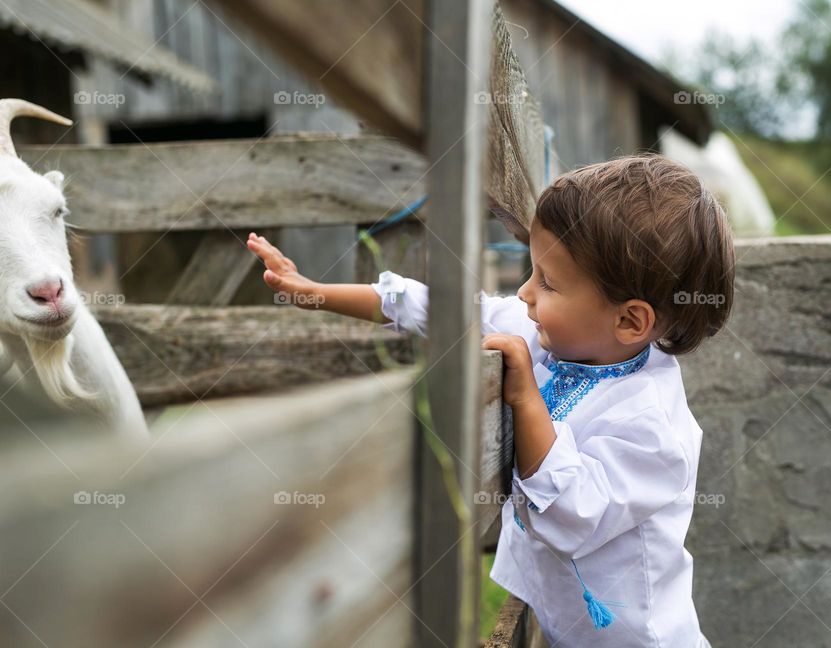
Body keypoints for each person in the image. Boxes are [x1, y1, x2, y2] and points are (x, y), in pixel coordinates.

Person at [247, 154, 733, 647]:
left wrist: (524, 397)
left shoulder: (651, 426)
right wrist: (314, 292)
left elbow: (570, 515)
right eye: (532, 271)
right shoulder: (558, 333)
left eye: (548, 281)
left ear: (630, 321)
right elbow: (444, 310)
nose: (524, 293)